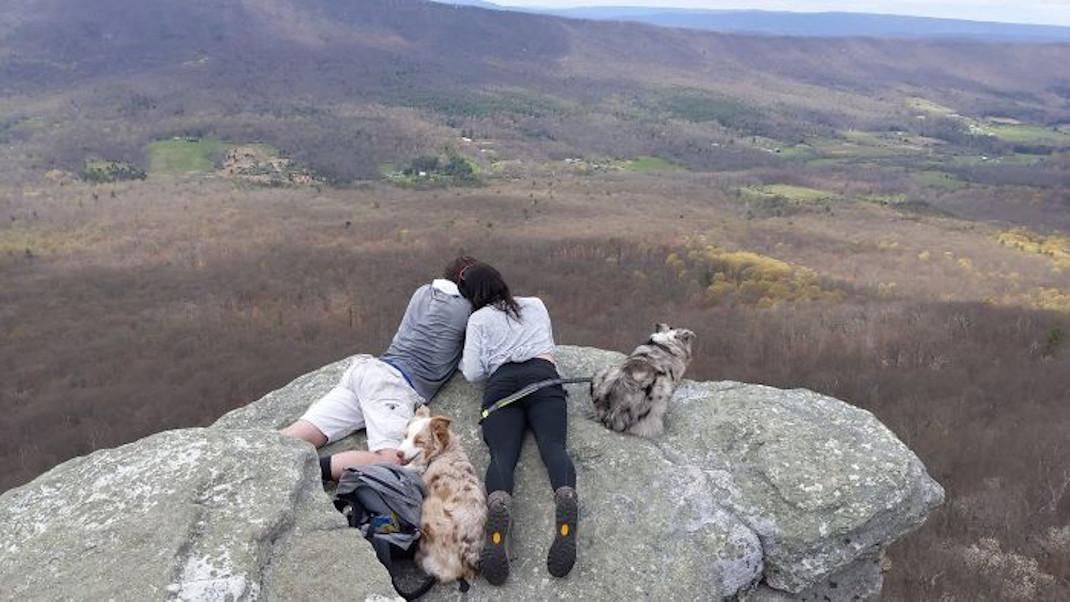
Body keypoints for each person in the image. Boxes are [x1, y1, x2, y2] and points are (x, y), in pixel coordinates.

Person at [280, 256, 476, 481]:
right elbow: (470, 363)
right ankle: (307, 473)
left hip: (367, 371)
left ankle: (265, 457)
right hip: (392, 385)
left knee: (299, 436)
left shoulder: (423, 292)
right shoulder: (466, 310)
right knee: (395, 462)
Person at [458, 263, 578, 585]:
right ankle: (565, 499)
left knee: (502, 457)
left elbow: (471, 372)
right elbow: (548, 346)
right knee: (553, 447)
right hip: (543, 381)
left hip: (502, 390)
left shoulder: (478, 319)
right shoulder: (536, 304)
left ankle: (497, 523)